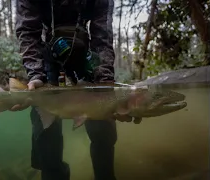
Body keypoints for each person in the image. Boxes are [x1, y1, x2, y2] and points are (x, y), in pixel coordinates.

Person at [12, 0, 140, 179]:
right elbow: (27, 31)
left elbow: (102, 35)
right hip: (49, 55)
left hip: (88, 55)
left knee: (104, 128)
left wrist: (105, 82)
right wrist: (36, 75)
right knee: (45, 134)